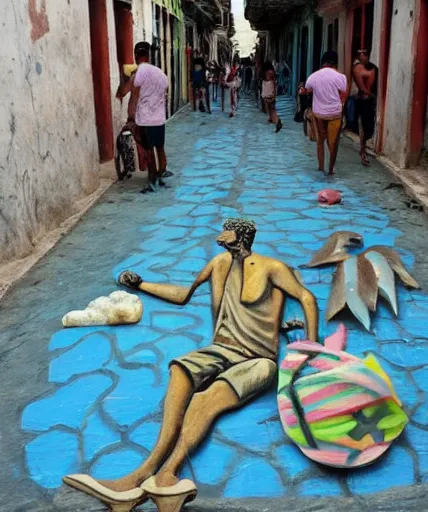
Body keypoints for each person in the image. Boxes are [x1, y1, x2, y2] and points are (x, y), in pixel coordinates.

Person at [63, 219, 318, 511]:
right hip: (220, 349)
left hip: (258, 360)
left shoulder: (272, 267)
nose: (221, 236)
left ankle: (167, 474)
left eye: (228, 231)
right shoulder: (219, 263)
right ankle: (141, 475)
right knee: (180, 369)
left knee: (204, 399)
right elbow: (184, 295)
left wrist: (312, 347)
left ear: (242, 236)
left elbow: (307, 298)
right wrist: (142, 284)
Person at [126, 42, 172, 193]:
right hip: (159, 119)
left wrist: (130, 117)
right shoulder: (160, 73)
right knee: (160, 147)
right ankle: (161, 173)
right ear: (149, 55)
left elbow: (134, 96)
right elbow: (165, 93)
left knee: (148, 150)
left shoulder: (140, 72)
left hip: (145, 119)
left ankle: (152, 180)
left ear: (136, 56)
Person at [300, 51, 348, 176]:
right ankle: (331, 170)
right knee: (333, 143)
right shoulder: (340, 77)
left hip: (319, 114)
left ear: (323, 63)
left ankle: (320, 168)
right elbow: (343, 95)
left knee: (320, 141)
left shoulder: (313, 76)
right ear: (335, 63)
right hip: (335, 113)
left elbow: (307, 90)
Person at [352, 49, 378, 166]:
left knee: (369, 128)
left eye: (365, 54)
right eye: (361, 55)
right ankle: (362, 151)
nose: (363, 57)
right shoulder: (358, 68)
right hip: (362, 101)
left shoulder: (372, 67)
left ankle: (363, 149)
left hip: (369, 101)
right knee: (363, 126)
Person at [261, 62, 283, 133]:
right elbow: (274, 83)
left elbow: (265, 84)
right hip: (271, 94)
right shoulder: (272, 73)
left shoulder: (265, 74)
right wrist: (275, 94)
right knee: (273, 109)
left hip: (266, 94)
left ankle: (276, 122)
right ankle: (276, 121)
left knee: (270, 110)